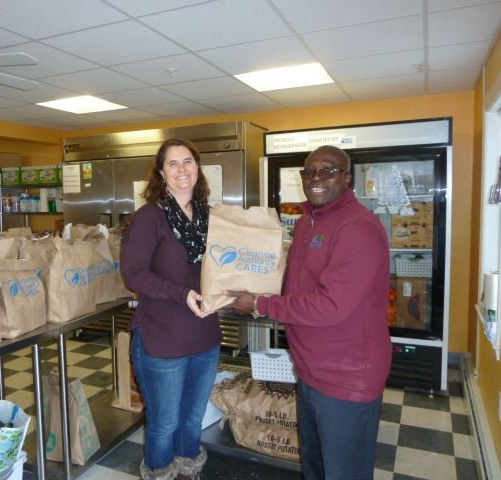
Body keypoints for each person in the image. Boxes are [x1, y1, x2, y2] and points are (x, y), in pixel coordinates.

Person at [228, 145, 391, 480]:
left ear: (347, 178)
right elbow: (296, 288)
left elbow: (331, 305)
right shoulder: (307, 222)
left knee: (344, 472)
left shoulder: (358, 227)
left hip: (347, 377)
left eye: (328, 171)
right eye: (309, 171)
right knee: (315, 467)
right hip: (311, 370)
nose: (316, 178)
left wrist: (260, 304)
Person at [121, 138, 221, 480]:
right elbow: (133, 274)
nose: (182, 169)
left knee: (192, 418)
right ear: (161, 173)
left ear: (198, 168)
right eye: (173, 164)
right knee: (165, 422)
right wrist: (183, 294)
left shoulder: (211, 216)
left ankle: (190, 468)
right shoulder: (151, 217)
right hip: (162, 337)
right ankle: (161, 472)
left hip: (205, 334)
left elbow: (224, 267)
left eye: (188, 161)